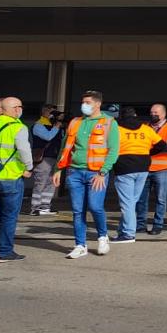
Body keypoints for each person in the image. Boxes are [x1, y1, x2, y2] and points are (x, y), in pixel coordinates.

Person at [54, 90, 119, 259]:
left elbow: (113, 150)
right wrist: (58, 169)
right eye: (83, 102)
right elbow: (65, 148)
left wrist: (103, 172)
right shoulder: (75, 122)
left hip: (96, 173)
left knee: (95, 206)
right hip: (75, 172)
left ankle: (102, 236)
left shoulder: (109, 122)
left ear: (98, 104)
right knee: (77, 210)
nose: (84, 105)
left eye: (88, 102)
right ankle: (80, 245)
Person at [0, 96, 32, 263]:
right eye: (20, 107)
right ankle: (4, 252)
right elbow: (24, 150)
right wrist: (28, 167)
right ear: (16, 109)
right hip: (10, 177)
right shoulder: (18, 127)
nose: (20, 110)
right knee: (9, 216)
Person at [111, 105, 166, 244]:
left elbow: (109, 147)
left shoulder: (116, 129)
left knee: (127, 203)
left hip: (124, 167)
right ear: (135, 116)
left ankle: (128, 234)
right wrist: (148, 153)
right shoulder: (146, 129)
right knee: (132, 202)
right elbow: (162, 145)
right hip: (143, 167)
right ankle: (122, 230)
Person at [137, 103, 167, 235]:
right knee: (142, 198)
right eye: (152, 112)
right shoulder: (145, 127)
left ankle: (158, 225)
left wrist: (153, 150)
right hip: (145, 168)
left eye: (156, 112)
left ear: (164, 114)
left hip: (162, 169)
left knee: (161, 199)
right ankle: (141, 224)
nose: (153, 114)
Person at [29, 103, 63, 215]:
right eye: (51, 112)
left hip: (55, 157)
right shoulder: (38, 125)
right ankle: (35, 207)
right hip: (44, 158)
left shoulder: (54, 125)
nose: (53, 115)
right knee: (41, 182)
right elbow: (48, 136)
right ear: (44, 112)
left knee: (51, 182)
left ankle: (45, 207)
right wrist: (57, 126)